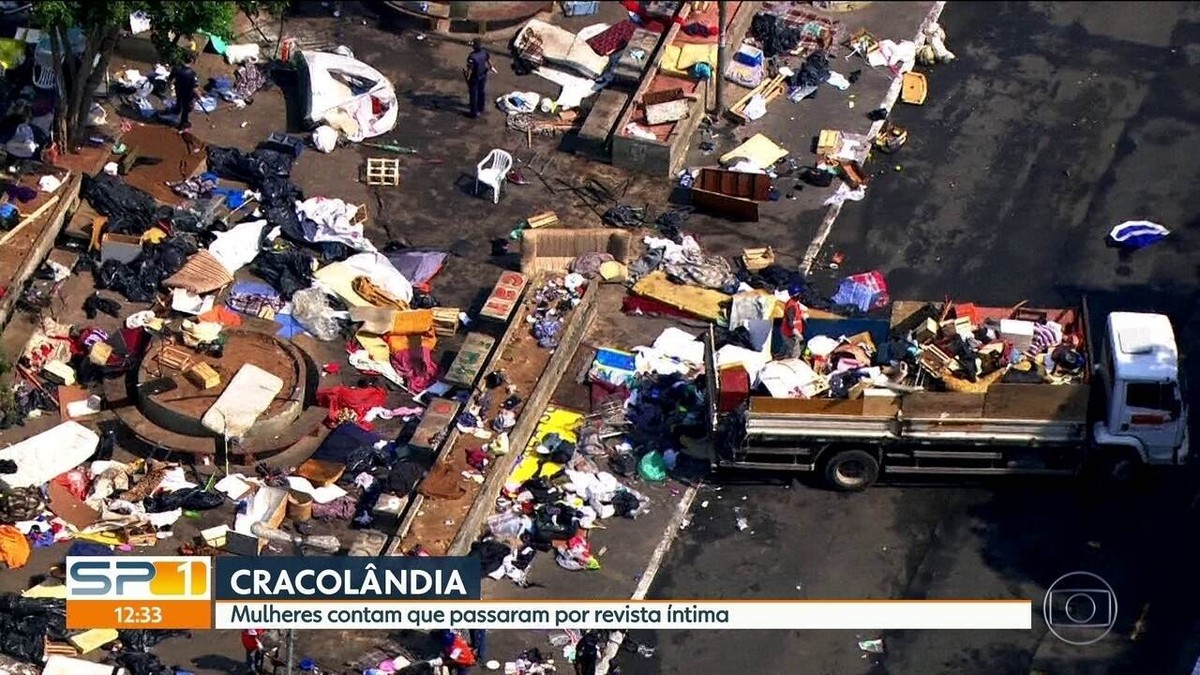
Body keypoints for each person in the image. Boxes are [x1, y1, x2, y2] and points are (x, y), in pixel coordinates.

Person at [463, 38, 497, 118]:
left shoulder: (472, 56)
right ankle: (481, 107)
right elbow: (489, 61)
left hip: (475, 77)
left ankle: (473, 112)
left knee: (473, 94)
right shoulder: (484, 52)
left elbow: (469, 68)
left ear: (475, 46)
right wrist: (491, 67)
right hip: (483, 75)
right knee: (481, 91)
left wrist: (466, 74)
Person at [169, 52, 200, 132]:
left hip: (178, 89)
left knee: (179, 100)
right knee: (186, 109)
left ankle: (177, 109)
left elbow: (170, 79)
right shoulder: (192, 74)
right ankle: (183, 123)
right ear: (191, 61)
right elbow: (194, 87)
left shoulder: (176, 68)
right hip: (188, 93)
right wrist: (198, 96)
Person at [781, 291, 810, 358]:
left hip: (789, 332)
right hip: (790, 333)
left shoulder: (795, 303)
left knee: (788, 349)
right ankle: (793, 363)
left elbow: (796, 315)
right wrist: (796, 332)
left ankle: (785, 357)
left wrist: (802, 315)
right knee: (795, 352)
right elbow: (790, 321)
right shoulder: (791, 306)